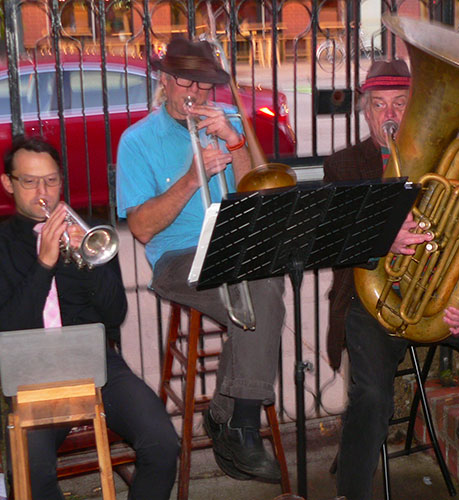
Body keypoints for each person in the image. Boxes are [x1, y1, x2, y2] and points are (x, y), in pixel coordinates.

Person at [323, 59, 459, 500]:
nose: (389, 114)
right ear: (365, 112)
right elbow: (331, 244)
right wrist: (379, 237)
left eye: (401, 103)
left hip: (442, 299)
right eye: (378, 104)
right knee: (371, 400)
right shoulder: (344, 165)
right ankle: (352, 491)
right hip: (372, 302)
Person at [116, 37, 285, 483]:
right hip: (175, 259)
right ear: (165, 81)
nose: (197, 94)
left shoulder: (226, 120)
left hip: (232, 249)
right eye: (187, 83)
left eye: (207, 86)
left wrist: (235, 142)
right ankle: (240, 424)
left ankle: (231, 416)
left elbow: (259, 191)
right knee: (259, 287)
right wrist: (193, 178)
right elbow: (141, 228)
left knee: (261, 282)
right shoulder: (136, 141)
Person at [0, 136, 180, 500]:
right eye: (30, 181)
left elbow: (117, 314)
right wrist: (45, 263)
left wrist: (93, 262)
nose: (43, 192)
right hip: (29, 373)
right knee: (30, 473)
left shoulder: (89, 235)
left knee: (162, 444)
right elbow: (9, 328)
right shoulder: (3, 243)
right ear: (8, 184)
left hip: (94, 362)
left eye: (51, 180)